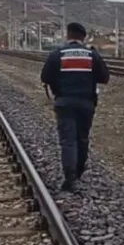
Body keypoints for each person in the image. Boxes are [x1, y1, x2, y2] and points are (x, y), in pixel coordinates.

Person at [40, 22, 109, 192]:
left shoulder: (58, 54)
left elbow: (45, 76)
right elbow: (104, 78)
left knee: (68, 141)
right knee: (82, 138)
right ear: (83, 37)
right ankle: (78, 173)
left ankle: (70, 179)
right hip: (86, 103)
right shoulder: (92, 55)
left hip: (64, 102)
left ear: (68, 35)